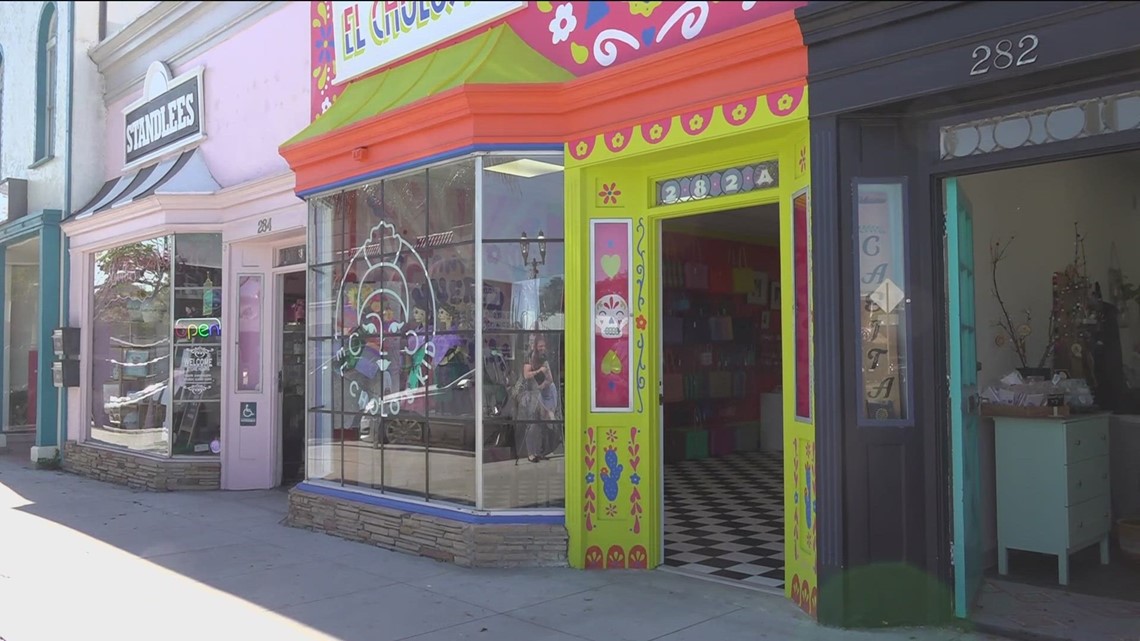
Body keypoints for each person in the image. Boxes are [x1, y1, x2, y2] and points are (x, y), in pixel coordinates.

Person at [517, 337, 558, 463]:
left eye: (544, 346)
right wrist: (539, 371)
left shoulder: (544, 359)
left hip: (544, 392)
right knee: (532, 423)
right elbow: (526, 375)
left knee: (543, 423)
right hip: (531, 393)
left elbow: (550, 378)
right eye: (540, 346)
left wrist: (543, 385)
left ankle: (541, 451)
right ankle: (531, 453)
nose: (542, 348)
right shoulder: (529, 358)